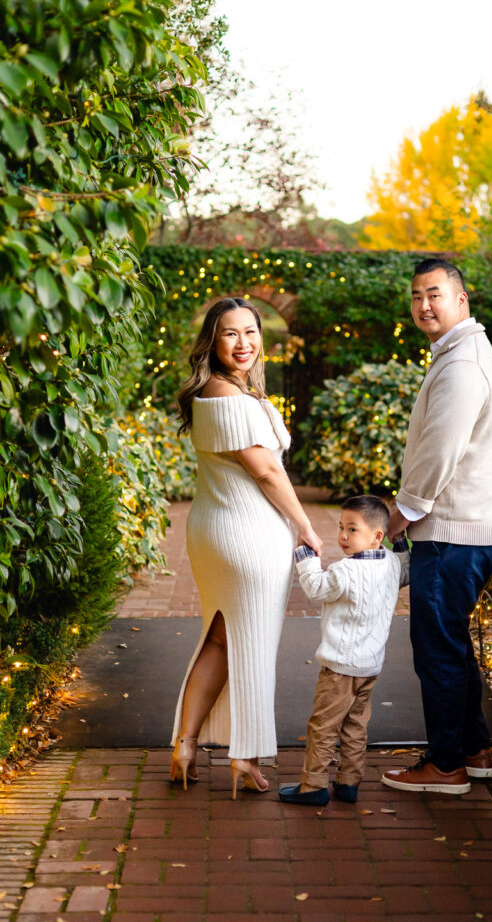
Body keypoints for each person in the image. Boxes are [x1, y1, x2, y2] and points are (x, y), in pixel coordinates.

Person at [169, 296, 323, 799]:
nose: (243, 343)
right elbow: (266, 470)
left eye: (251, 332)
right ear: (212, 341)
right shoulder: (228, 396)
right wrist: (305, 526)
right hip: (248, 534)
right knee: (254, 646)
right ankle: (245, 756)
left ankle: (185, 747)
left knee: (219, 638)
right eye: (230, 333)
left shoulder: (222, 391)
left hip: (215, 528)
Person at [381, 258, 492, 796]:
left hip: (453, 531)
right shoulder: (461, 353)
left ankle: (445, 765)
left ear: (461, 298)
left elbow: (439, 451)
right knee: (451, 641)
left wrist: (401, 514)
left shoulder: (461, 364)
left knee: (436, 647)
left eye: (434, 294)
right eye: (416, 297)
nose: (424, 306)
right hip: (466, 528)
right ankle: (474, 750)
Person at [279, 495, 410, 805]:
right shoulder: (392, 564)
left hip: (339, 668)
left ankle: (313, 786)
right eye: (341, 527)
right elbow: (408, 570)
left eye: (352, 529)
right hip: (370, 667)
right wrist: (400, 542)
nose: (343, 536)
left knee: (323, 727)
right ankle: (349, 782)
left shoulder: (345, 571)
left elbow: (314, 587)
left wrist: (306, 554)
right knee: (355, 725)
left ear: (376, 536)